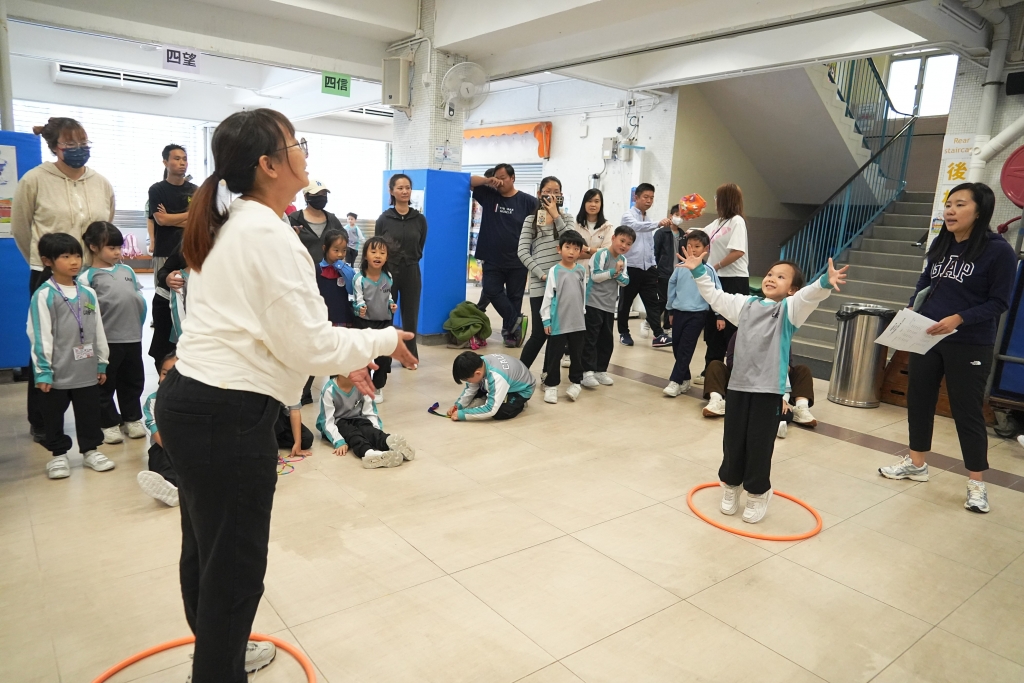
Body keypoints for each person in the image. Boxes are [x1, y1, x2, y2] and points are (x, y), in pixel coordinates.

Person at [156, 108, 416, 682]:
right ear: (269, 165)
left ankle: (220, 651)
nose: (304, 151)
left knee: (208, 553)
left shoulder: (237, 223)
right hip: (226, 415)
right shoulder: (268, 234)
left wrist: (348, 360)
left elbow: (277, 334)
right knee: (234, 571)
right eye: (295, 143)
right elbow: (309, 344)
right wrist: (382, 338)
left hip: (192, 404)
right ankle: (219, 665)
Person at [879, 182, 1017, 514]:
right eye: (949, 204)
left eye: (960, 204)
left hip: (970, 343)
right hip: (926, 337)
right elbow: (926, 281)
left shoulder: (999, 251)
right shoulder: (942, 243)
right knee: (919, 401)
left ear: (980, 211)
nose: (950, 211)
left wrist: (960, 318)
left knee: (967, 411)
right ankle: (917, 464)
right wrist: (913, 306)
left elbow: (1000, 302)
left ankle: (977, 483)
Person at [678, 253, 847, 523]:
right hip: (739, 386)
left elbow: (808, 297)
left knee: (759, 444)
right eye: (770, 274)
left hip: (768, 391)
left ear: (791, 289)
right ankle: (731, 484)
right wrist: (699, 272)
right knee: (733, 441)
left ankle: (758, 492)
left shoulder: (790, 310)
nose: (771, 278)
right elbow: (716, 297)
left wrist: (824, 282)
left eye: (781, 277)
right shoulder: (746, 304)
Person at [12, 117, 115, 443]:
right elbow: (21, 228)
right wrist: (47, 262)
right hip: (49, 273)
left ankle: (100, 415)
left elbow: (106, 225)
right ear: (55, 147)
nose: (79, 149)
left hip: (90, 274)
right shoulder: (35, 180)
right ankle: (43, 420)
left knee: (94, 341)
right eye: (71, 144)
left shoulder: (100, 182)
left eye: (84, 143)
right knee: (48, 345)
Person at [27, 232, 114, 480]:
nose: (74, 261)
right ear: (48, 261)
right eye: (65, 257)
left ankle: (90, 450)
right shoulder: (44, 295)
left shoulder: (88, 293)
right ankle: (58, 454)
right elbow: (39, 334)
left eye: (76, 255)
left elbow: (97, 329)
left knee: (89, 412)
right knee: (53, 415)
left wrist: (101, 361)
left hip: (86, 369)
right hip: (56, 372)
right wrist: (43, 371)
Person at [78, 221, 148, 444]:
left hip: (132, 338)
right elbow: (85, 314)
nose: (117, 252)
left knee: (133, 381)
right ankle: (108, 423)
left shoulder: (127, 270)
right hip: (107, 342)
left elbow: (137, 298)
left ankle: (132, 418)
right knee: (104, 384)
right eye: (111, 248)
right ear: (93, 247)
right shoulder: (87, 277)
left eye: (119, 247)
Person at [470, 163, 538, 347]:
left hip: (518, 259)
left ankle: (511, 334)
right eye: (497, 178)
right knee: (491, 290)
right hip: (492, 258)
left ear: (513, 178)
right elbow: (469, 181)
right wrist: (487, 180)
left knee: (515, 297)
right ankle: (516, 320)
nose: (500, 182)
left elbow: (541, 223)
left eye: (503, 178)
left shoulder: (528, 201)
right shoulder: (489, 196)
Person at [701, 333, 818, 431]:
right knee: (715, 365)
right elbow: (730, 361)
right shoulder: (739, 334)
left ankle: (801, 407)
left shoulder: (781, 336)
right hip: (742, 378)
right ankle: (716, 400)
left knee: (803, 370)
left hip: (775, 380)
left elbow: (788, 366)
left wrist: (783, 398)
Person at [517, 176, 576, 369]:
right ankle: (519, 374)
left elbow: (571, 242)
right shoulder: (531, 220)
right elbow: (522, 251)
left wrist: (557, 216)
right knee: (539, 333)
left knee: (557, 334)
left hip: (563, 283)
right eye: (548, 191)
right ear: (539, 194)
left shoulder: (567, 218)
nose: (552, 195)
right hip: (540, 282)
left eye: (556, 192)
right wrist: (542, 274)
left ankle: (548, 375)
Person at [696, 183, 749, 386]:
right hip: (716, 278)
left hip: (734, 280)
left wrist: (716, 266)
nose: (715, 201)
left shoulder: (737, 222)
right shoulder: (718, 222)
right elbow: (701, 234)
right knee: (712, 326)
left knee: (730, 328)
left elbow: (738, 252)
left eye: (717, 198)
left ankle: (733, 373)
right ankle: (711, 369)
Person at [148, 144, 196, 370]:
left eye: (184, 158)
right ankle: (164, 361)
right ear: (165, 162)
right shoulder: (157, 189)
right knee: (165, 297)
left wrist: (172, 218)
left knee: (190, 303)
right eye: (176, 158)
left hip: (189, 251)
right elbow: (161, 220)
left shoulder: (195, 190)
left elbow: (198, 220)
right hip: (165, 250)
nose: (182, 162)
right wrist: (186, 216)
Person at [300, 228, 357, 405]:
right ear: (325, 248)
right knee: (315, 356)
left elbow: (353, 291)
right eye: (336, 250)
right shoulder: (316, 270)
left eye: (344, 250)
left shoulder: (346, 270)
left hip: (342, 318)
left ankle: (335, 393)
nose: (340, 254)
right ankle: (304, 393)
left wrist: (349, 275)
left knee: (338, 358)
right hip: (322, 320)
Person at [664, 231, 723, 397]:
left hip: (697, 315)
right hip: (678, 312)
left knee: (686, 347)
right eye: (690, 246)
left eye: (697, 246)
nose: (693, 250)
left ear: (706, 249)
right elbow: (672, 285)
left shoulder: (709, 270)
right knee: (677, 347)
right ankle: (685, 378)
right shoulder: (680, 267)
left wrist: (719, 315)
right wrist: (670, 309)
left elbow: (717, 292)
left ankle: (675, 381)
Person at [376, 173, 428, 363]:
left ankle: (410, 357)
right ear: (391, 191)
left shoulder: (419, 219)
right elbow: (378, 247)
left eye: (407, 187)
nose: (405, 191)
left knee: (410, 316)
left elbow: (420, 244)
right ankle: (384, 359)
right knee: (386, 314)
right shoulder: (384, 219)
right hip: (388, 272)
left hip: (411, 270)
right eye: (400, 188)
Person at [316, 374, 415, 468]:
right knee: (353, 434)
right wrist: (338, 441)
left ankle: (388, 442)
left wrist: (375, 430)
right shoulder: (329, 390)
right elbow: (327, 421)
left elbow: (370, 412)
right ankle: (369, 454)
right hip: (338, 423)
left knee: (368, 429)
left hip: (358, 419)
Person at [618, 183, 672, 348]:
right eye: (646, 197)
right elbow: (637, 227)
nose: (649, 201)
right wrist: (658, 224)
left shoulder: (648, 219)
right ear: (636, 197)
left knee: (653, 303)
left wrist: (653, 266)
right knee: (626, 303)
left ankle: (658, 335)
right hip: (631, 267)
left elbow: (649, 246)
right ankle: (624, 332)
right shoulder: (628, 216)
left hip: (648, 268)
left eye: (652, 198)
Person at [581, 226, 634, 388]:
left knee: (606, 340)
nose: (624, 245)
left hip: (610, 306)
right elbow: (596, 276)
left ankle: (600, 370)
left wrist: (616, 273)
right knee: (591, 338)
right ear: (613, 238)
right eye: (622, 240)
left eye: (628, 243)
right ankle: (587, 372)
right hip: (593, 303)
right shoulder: (601, 254)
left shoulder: (623, 260)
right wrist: (614, 272)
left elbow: (625, 282)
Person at [540, 230, 588, 404]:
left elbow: (583, 294)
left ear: (580, 252)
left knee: (577, 354)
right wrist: (546, 319)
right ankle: (551, 386)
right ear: (559, 249)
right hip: (558, 322)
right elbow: (548, 297)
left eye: (576, 249)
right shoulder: (554, 271)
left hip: (578, 322)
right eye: (567, 247)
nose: (571, 252)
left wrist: (583, 314)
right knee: (554, 355)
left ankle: (576, 383)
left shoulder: (581, 270)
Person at [352, 236, 398, 403]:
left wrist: (391, 304)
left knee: (384, 356)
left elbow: (387, 295)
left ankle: (377, 385)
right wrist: (360, 307)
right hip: (364, 323)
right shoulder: (359, 278)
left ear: (386, 257)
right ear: (365, 255)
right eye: (373, 251)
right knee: (363, 356)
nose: (378, 255)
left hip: (384, 322)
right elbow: (357, 299)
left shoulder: (387, 277)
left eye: (382, 252)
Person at [138, 353, 181, 507]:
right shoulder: (153, 400)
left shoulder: (197, 398)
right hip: (166, 445)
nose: (168, 379)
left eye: (176, 374)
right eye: (164, 374)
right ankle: (170, 487)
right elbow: (157, 435)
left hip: (193, 445)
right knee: (159, 456)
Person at [448, 351, 536, 420]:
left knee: (500, 413)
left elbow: (491, 410)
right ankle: (491, 398)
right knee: (475, 389)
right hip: (504, 382)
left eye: (467, 380)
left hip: (521, 390)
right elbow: (470, 389)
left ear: (478, 373)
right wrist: (458, 406)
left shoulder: (497, 377)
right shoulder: (478, 363)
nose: (468, 382)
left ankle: (520, 404)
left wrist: (462, 414)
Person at [288, 178, 344, 268]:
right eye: (316, 194)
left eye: (324, 194)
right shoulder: (294, 219)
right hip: (302, 270)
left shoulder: (332, 219)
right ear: (306, 197)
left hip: (329, 272)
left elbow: (343, 241)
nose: (321, 197)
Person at [654, 204, 684, 332]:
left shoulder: (683, 234)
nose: (679, 218)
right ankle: (650, 321)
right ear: (671, 215)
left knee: (672, 300)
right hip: (663, 272)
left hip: (678, 272)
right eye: (677, 215)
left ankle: (667, 327)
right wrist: (654, 272)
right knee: (663, 300)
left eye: (681, 216)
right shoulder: (661, 232)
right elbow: (654, 253)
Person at [575, 188, 616, 266]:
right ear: (584, 203)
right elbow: (572, 251)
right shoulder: (576, 225)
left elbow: (608, 252)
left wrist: (587, 249)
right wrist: (597, 254)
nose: (593, 204)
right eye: (589, 201)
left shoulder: (607, 227)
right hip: (578, 269)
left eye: (596, 201)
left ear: (601, 204)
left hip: (599, 270)